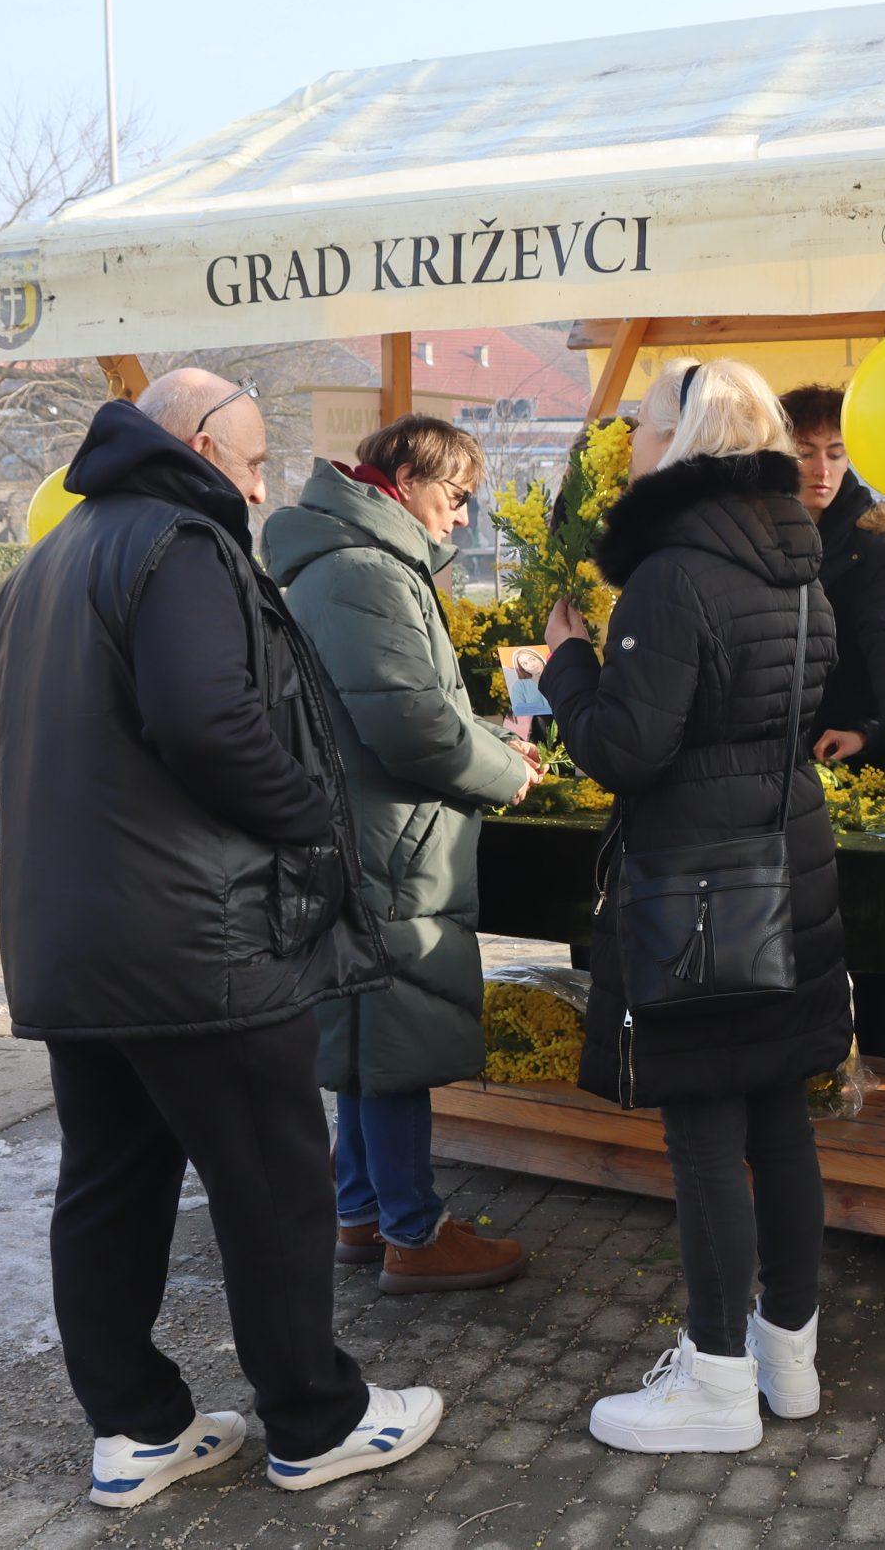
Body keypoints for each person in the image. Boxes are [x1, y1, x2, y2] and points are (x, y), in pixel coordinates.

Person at [0, 370, 440, 1507]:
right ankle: (316, 1421)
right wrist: (313, 816)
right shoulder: (179, 542)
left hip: (72, 935)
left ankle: (138, 1429)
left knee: (109, 1182)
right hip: (197, 938)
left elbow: (1, 729)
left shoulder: (51, 557)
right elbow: (207, 721)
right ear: (196, 444)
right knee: (272, 1177)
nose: (259, 487)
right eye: (251, 462)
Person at [539, 358, 849, 1453]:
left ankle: (717, 1381)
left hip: (699, 879)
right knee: (779, 1113)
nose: (628, 440)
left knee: (707, 1125)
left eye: (642, 422)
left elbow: (627, 748)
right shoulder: (795, 557)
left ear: (688, 436)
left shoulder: (674, 574)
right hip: (786, 856)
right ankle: (788, 1358)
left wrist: (568, 666)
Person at [264, 416, 541, 1295]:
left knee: (363, 1030)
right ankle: (414, 1233)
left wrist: (487, 739)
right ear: (407, 478)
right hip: (389, 840)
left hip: (363, 830)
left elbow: (406, 704)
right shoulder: (366, 572)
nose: (460, 519)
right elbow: (412, 726)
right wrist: (506, 771)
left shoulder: (348, 560)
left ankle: (361, 1212)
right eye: (455, 497)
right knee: (392, 1035)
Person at [780, 385, 885, 1062]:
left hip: (852, 755)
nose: (821, 470)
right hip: (772, 752)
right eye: (806, 453)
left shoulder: (870, 534)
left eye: (836, 453)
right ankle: (803, 1063)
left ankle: (880, 1070)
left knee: (867, 936)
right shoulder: (756, 523)